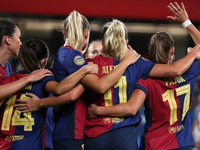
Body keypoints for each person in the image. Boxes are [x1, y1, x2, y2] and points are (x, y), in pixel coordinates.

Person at [15, 10, 200, 150]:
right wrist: (192, 51)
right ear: (126, 41)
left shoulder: (90, 64)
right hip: (126, 136)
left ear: (103, 41)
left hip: (95, 135)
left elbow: (73, 93)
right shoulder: (138, 64)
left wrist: (98, 109)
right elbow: (174, 70)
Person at [87, 2, 200, 150]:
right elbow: (175, 70)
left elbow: (131, 107)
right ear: (173, 50)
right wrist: (187, 25)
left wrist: (99, 111)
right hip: (180, 144)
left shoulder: (145, 78)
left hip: (148, 144)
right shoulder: (189, 71)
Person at [0, 39, 99, 150]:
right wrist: (85, 75)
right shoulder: (44, 79)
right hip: (30, 145)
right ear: (43, 61)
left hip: (4, 145)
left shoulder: (8, 80)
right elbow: (60, 90)